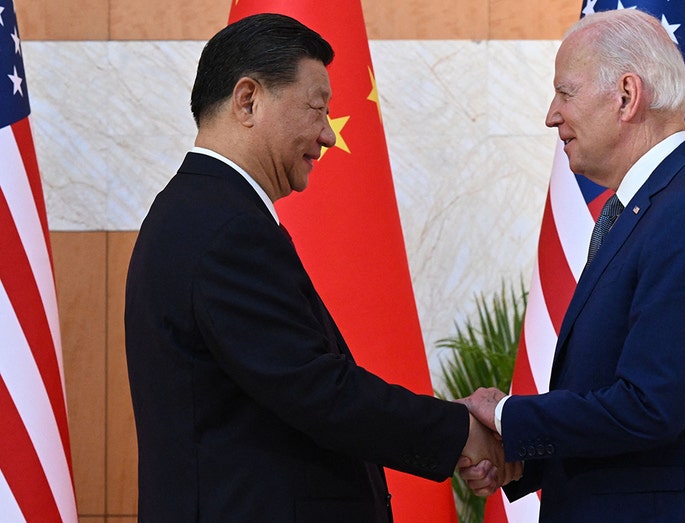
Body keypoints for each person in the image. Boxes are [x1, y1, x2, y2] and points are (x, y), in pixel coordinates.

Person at [124, 13, 501, 522]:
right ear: (248, 100)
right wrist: (460, 432)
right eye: (317, 108)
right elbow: (318, 390)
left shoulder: (200, 211)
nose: (327, 135)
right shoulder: (223, 227)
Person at [459, 9, 685, 522]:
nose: (552, 115)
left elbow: (651, 407)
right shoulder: (647, 210)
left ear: (627, 96)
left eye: (565, 93)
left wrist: (507, 416)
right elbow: (613, 394)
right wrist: (523, 459)